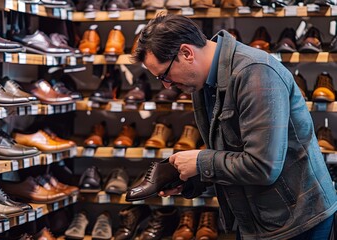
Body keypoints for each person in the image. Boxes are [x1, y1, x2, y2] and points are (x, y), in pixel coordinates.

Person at [132, 13, 337, 240]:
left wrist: (201, 162)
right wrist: (190, 179)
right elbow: (232, 151)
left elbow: (263, 166)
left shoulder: (256, 73)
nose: (166, 85)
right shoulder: (204, 83)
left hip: (297, 222)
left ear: (186, 53)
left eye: (165, 75)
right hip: (256, 219)